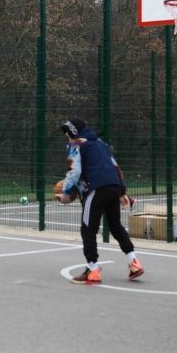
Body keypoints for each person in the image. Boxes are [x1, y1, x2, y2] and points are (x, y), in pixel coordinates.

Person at [55, 117, 143, 284]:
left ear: (74, 132)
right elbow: (116, 167)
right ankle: (134, 262)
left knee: (88, 229)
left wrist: (66, 192)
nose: (66, 136)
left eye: (67, 133)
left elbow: (74, 171)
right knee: (115, 226)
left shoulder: (76, 145)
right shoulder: (101, 144)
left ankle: (92, 270)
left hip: (96, 189)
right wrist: (122, 191)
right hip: (113, 186)